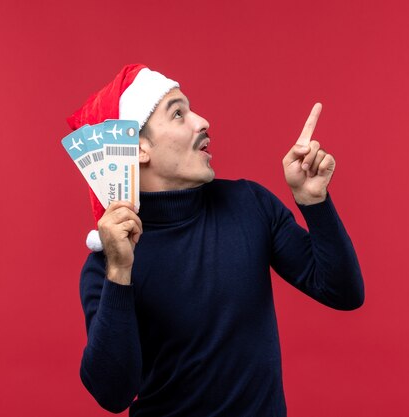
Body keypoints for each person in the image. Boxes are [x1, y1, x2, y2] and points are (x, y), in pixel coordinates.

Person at [67, 64, 364, 417]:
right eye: (178, 114)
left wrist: (314, 202)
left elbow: (343, 292)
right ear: (139, 147)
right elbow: (112, 394)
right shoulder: (108, 264)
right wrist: (119, 271)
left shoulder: (249, 204)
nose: (202, 121)